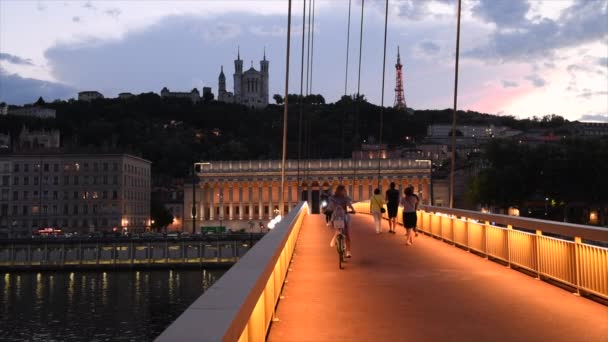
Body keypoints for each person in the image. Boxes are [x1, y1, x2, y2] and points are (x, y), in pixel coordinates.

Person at [328, 184, 356, 257]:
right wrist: (353, 210)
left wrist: (329, 210)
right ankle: (348, 252)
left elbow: (330, 207)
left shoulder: (333, 198)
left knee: (335, 226)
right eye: (344, 190)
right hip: (343, 216)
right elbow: (349, 205)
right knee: (347, 234)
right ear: (341, 191)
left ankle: (336, 236)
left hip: (336, 216)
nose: (345, 191)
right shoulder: (345, 198)